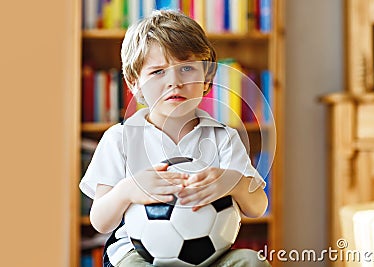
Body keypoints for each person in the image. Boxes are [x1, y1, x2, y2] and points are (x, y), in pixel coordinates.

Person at [80, 9, 271, 267]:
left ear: (207, 79)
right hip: (137, 253)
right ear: (135, 84)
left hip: (212, 253)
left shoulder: (223, 137)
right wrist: (129, 190)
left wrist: (234, 182)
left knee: (251, 261)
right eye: (158, 71)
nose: (174, 82)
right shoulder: (120, 139)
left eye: (187, 68)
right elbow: (100, 220)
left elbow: (257, 206)